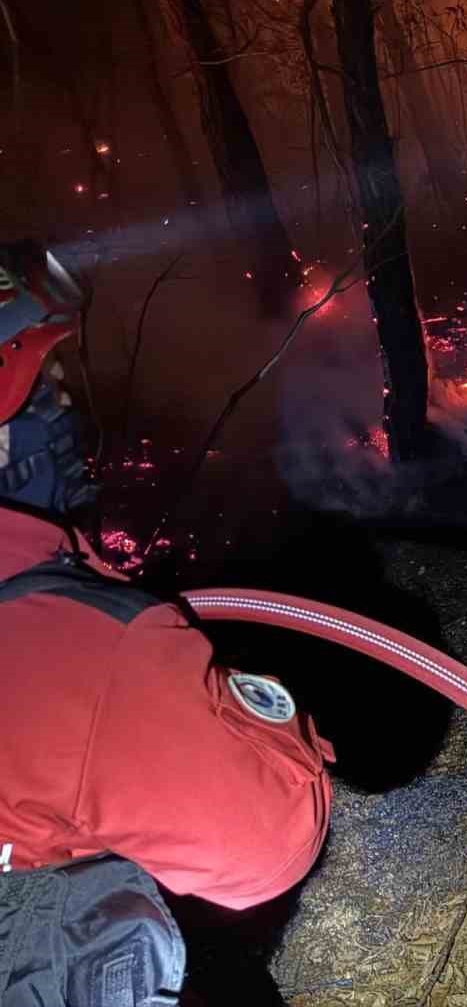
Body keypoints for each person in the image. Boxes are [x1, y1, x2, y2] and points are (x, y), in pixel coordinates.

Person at [0, 241, 334, 1007]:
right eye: (42, 391)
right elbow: (269, 848)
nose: (65, 407)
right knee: (100, 922)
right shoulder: (79, 648)